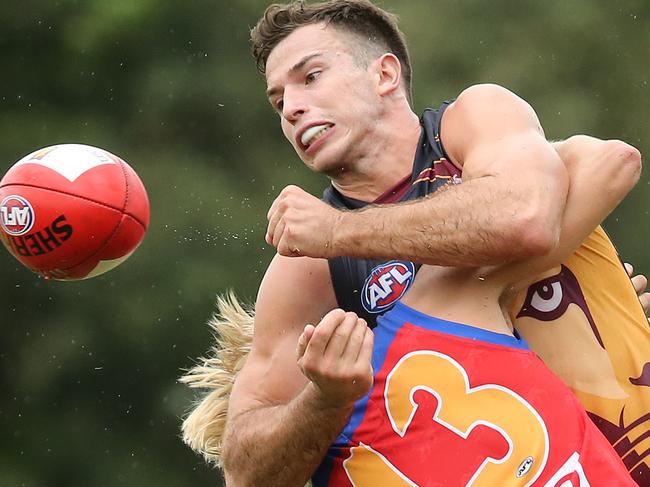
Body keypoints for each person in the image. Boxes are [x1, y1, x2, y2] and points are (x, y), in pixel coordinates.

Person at [180, 0, 648, 484]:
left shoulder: (470, 121)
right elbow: (247, 473)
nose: (293, 108)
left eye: (311, 77)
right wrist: (326, 396)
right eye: (279, 102)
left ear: (384, 74)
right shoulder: (306, 266)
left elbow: (555, 197)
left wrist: (342, 232)